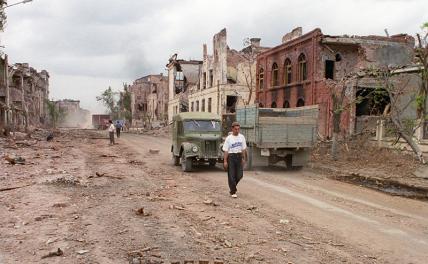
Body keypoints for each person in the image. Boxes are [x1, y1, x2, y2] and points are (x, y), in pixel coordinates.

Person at [222, 121, 247, 198]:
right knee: (231, 175)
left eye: (238, 129)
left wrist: (243, 159)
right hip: (231, 157)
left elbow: (243, 149)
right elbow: (226, 150)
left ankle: (232, 187)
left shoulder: (242, 137)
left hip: (239, 157)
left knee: (240, 175)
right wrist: (225, 161)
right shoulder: (229, 138)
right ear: (232, 129)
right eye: (236, 129)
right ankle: (233, 191)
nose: (237, 131)